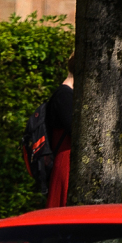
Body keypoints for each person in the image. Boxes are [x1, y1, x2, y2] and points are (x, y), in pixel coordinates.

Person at [43, 54, 75, 208]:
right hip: (65, 161)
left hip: (67, 161)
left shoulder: (66, 94)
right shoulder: (64, 95)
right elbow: (73, 130)